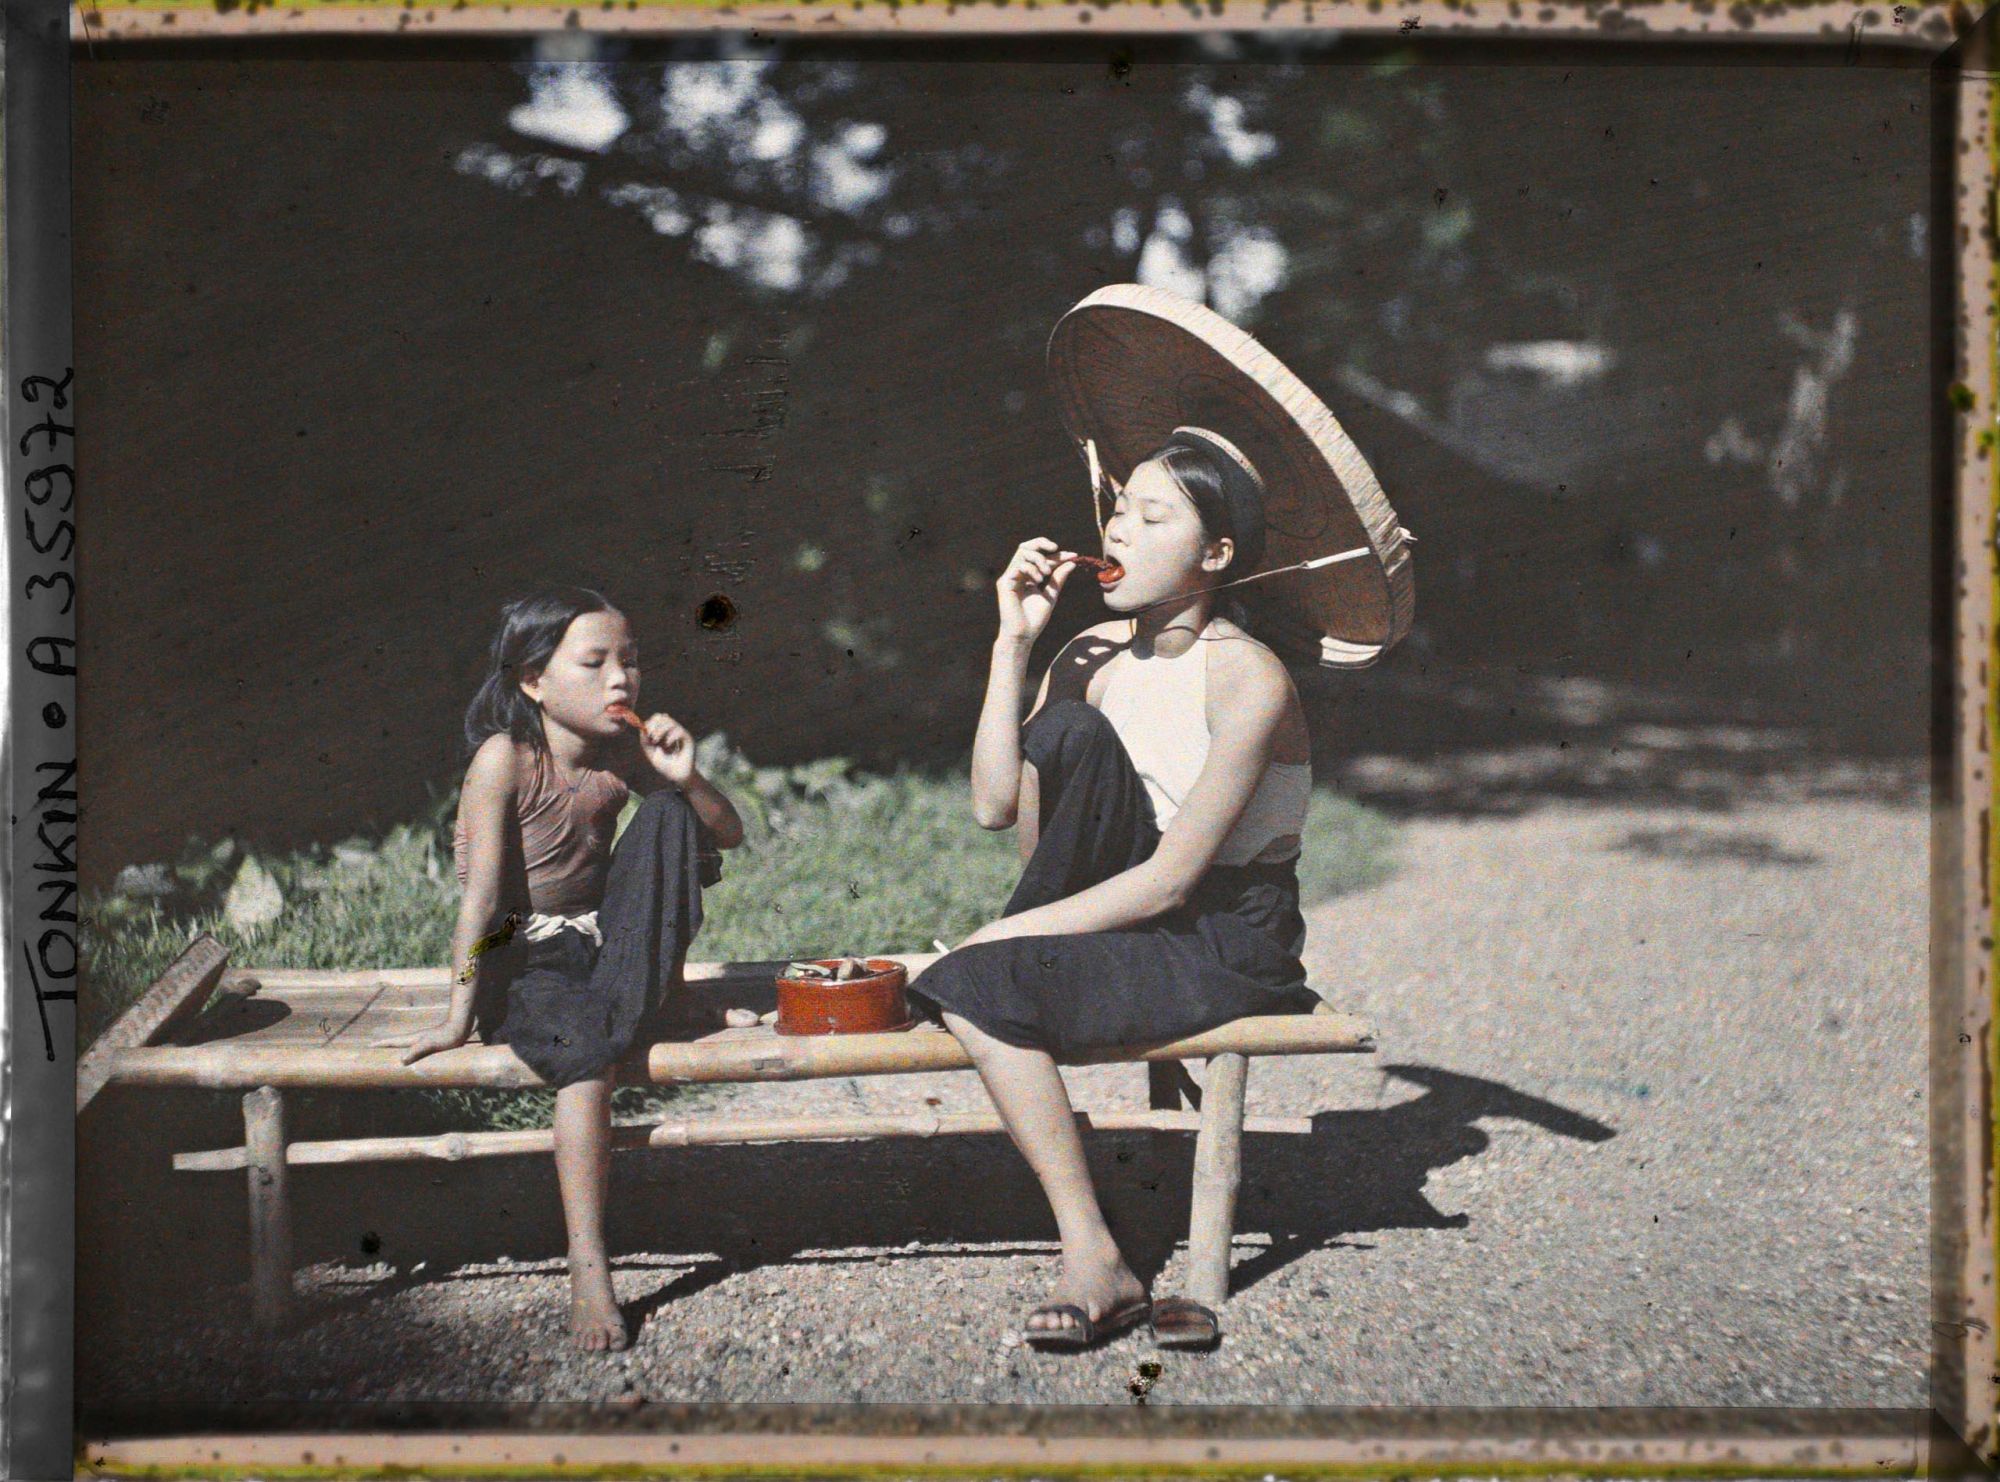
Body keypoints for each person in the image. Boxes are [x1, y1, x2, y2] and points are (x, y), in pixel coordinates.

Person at [909, 427, 1322, 1352]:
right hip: (1121, 893)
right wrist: (1012, 641)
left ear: (1215, 554)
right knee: (1068, 737)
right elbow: (991, 806)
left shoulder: (1247, 677)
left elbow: (1177, 880)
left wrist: (992, 941)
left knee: (972, 986)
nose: (1118, 531)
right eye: (1116, 510)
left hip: (1223, 928)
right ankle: (1102, 1247)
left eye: (1151, 514)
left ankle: (1092, 1259)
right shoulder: (1090, 651)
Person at [377, 588, 745, 1351]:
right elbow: (480, 904)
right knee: (587, 1056)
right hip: (528, 954)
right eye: (596, 663)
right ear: (533, 682)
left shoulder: (623, 754)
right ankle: (587, 1258)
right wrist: (457, 1016)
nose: (622, 681)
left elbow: (727, 837)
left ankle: (656, 998)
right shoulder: (504, 759)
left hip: (606, 941)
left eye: (631, 662)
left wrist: (685, 776)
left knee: (675, 816)